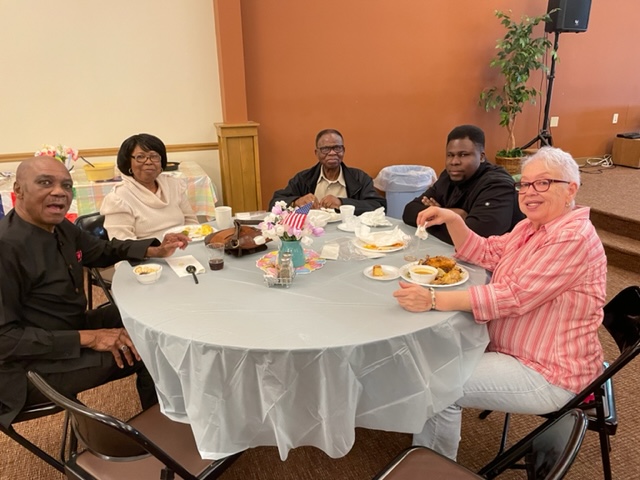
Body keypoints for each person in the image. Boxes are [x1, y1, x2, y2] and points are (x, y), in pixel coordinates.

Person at [393, 146, 606, 459]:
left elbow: (513, 296)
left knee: (438, 384)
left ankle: (432, 469)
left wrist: (434, 298)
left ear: (571, 189)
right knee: (435, 355)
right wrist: (453, 218)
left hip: (547, 370)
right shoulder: (532, 226)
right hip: (517, 349)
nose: (530, 192)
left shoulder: (571, 237)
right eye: (525, 184)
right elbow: (488, 252)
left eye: (543, 183)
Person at [0, 155, 190, 429]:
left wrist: (154, 250)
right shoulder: (6, 248)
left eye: (66, 186)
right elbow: (6, 340)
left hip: (67, 326)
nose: (59, 192)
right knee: (152, 349)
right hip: (30, 367)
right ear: (17, 190)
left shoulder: (60, 227)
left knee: (147, 311)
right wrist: (90, 338)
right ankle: (166, 433)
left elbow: (102, 250)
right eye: (45, 183)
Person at [403, 125, 523, 245]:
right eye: (450, 155)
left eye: (463, 155)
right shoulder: (448, 176)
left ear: (481, 157)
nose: (454, 162)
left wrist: (439, 217)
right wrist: (450, 214)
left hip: (500, 260)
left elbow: (474, 239)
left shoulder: (497, 185)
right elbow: (409, 212)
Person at [101, 133, 198, 240]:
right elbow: (122, 245)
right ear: (128, 162)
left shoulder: (174, 185)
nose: (148, 162)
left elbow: (191, 223)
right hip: (145, 255)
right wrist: (159, 250)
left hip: (183, 248)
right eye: (140, 157)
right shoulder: (118, 198)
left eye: (154, 156)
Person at [268, 129, 386, 215]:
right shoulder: (303, 178)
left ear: (343, 151)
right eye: (325, 149)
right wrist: (296, 202)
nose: (332, 153)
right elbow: (274, 203)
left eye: (337, 148)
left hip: (350, 234)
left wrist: (342, 203)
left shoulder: (360, 178)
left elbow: (379, 206)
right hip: (311, 234)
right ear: (316, 153)